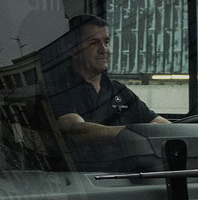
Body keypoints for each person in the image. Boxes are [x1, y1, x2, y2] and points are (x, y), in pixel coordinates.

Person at [45, 14, 169, 148]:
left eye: (106, 42)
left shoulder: (119, 91)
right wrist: (134, 133)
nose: (104, 50)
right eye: (94, 42)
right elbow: (76, 130)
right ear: (72, 50)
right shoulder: (58, 89)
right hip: (87, 168)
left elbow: (160, 124)